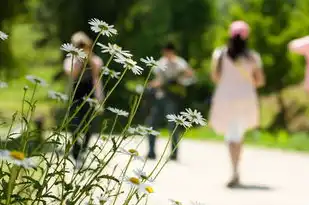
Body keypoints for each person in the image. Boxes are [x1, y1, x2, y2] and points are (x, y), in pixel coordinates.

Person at [209, 21, 265, 187]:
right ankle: (235, 169)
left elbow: (215, 77)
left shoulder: (219, 54)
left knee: (231, 135)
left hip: (225, 97)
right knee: (238, 134)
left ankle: (234, 170)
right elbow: (260, 80)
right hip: (246, 98)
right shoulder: (253, 57)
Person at [146, 42, 195, 161]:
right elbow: (158, 79)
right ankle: (151, 151)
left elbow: (190, 74)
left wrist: (180, 75)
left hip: (173, 97)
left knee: (173, 125)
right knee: (152, 123)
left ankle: (174, 153)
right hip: (160, 95)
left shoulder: (180, 62)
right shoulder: (160, 63)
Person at [63, 31, 103, 163]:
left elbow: (97, 77)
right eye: (79, 46)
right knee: (74, 124)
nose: (82, 48)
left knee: (89, 126)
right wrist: (79, 60)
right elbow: (73, 74)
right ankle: (76, 148)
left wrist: (89, 58)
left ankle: (84, 149)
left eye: (84, 45)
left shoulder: (95, 60)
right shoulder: (71, 60)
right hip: (75, 96)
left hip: (91, 96)